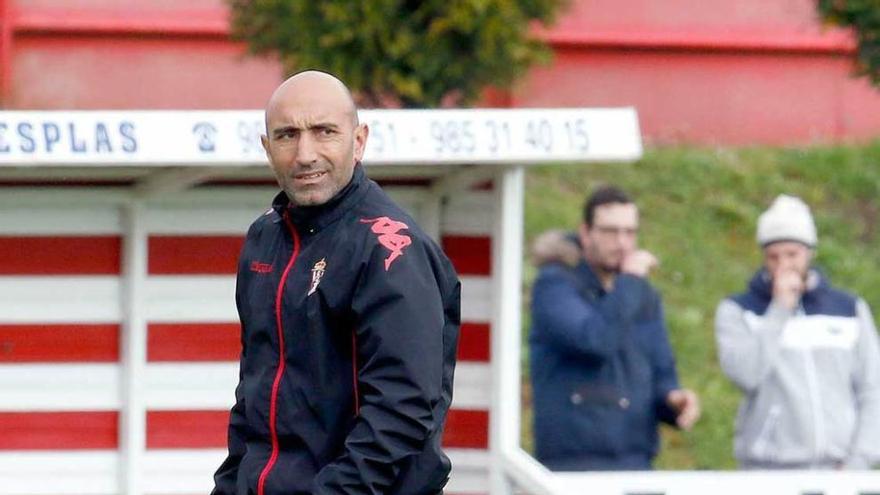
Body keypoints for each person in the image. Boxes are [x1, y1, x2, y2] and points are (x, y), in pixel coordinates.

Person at [211, 71, 461, 495]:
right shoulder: (264, 238)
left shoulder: (390, 247)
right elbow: (255, 397)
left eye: (324, 131)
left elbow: (402, 411)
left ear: (359, 140)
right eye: (288, 135)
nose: (305, 154)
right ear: (267, 148)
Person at [529, 185, 700, 471]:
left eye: (630, 232)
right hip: (573, 468)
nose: (622, 243)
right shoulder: (555, 285)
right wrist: (631, 281)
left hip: (637, 465)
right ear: (585, 233)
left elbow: (662, 374)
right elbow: (594, 339)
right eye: (610, 231)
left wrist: (675, 402)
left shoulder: (643, 296)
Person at [715, 194, 880, 470]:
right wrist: (779, 311)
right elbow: (746, 375)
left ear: (809, 253)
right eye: (773, 256)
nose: (783, 265)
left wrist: (859, 461)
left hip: (840, 470)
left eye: (792, 254)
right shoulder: (738, 311)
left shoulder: (850, 309)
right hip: (770, 470)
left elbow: (872, 388)